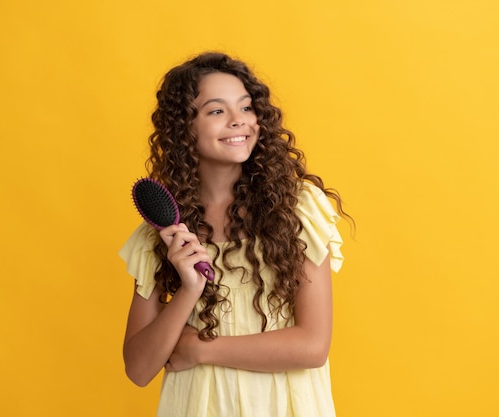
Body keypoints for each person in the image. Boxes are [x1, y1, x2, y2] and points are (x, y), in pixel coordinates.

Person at [119, 52, 351, 417]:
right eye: (216, 111)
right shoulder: (161, 235)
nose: (239, 122)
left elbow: (312, 346)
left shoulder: (297, 210)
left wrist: (202, 349)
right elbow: (138, 367)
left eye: (246, 108)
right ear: (184, 129)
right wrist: (189, 289)